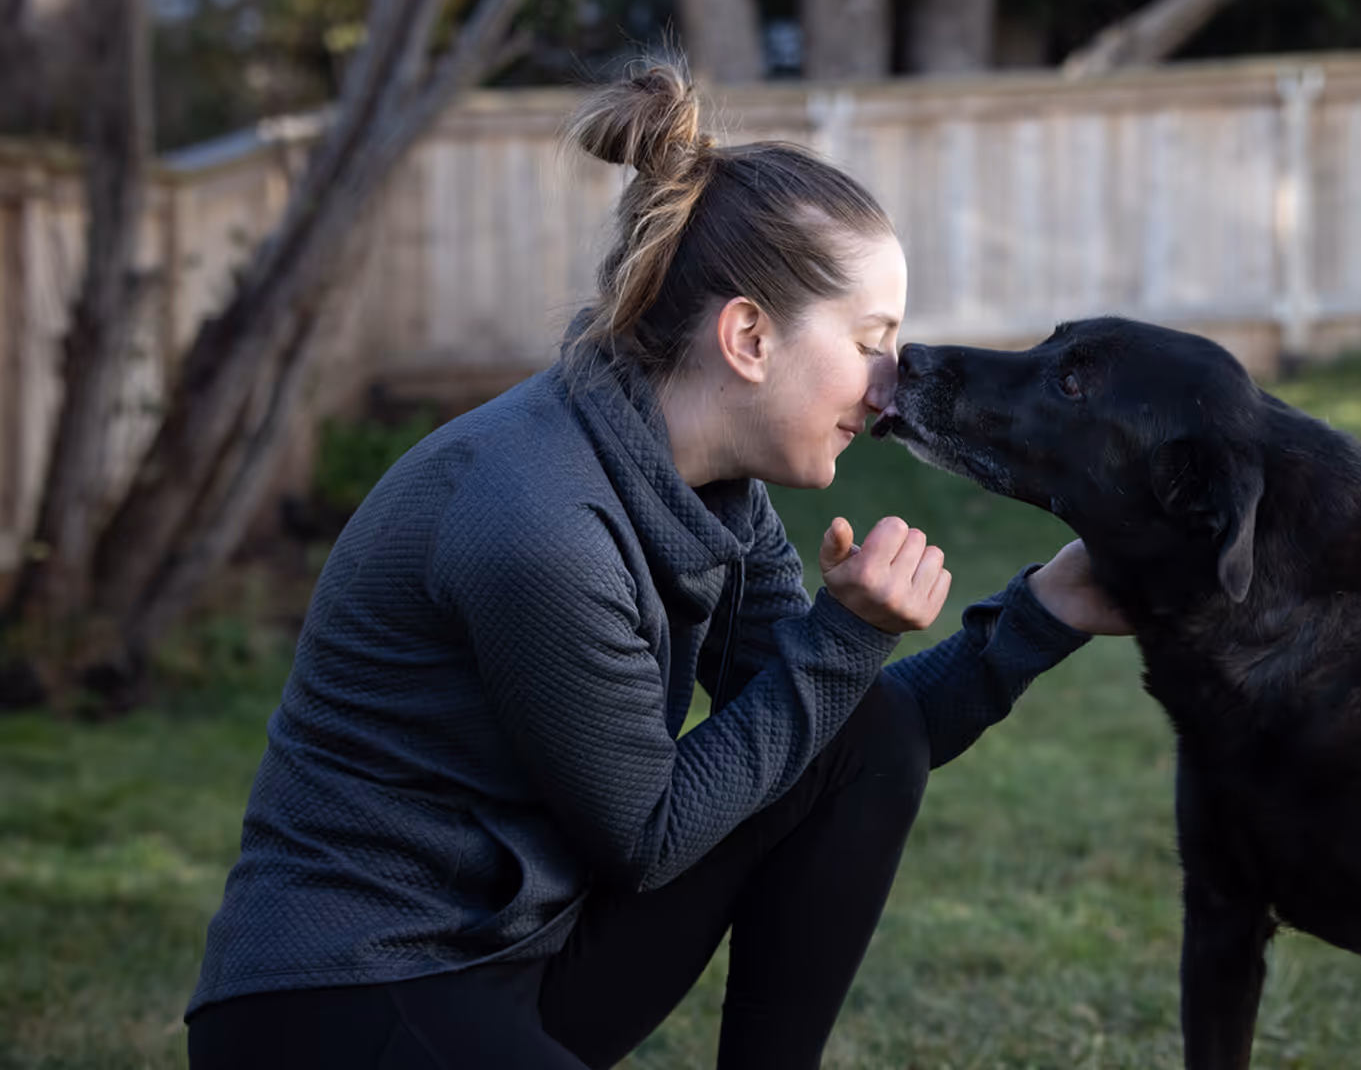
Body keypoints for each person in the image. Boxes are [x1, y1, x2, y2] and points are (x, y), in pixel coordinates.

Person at [184, 60, 1129, 1070]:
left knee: (857, 733)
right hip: (344, 999)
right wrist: (845, 633)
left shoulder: (712, 489)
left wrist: (1049, 609)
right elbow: (646, 835)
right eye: (871, 341)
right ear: (749, 337)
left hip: (525, 958)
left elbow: (843, 739)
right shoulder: (536, 522)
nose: (892, 387)